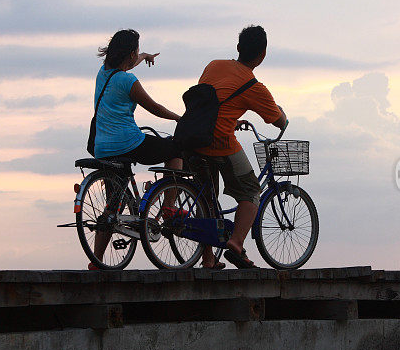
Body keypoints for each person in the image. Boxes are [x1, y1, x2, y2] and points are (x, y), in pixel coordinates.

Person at [194, 25, 288, 269]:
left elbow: (212, 103)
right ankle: (236, 244)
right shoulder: (254, 87)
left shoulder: (213, 65)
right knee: (251, 191)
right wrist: (284, 116)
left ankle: (207, 259)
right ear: (263, 55)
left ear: (238, 48)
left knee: (207, 199)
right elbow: (278, 120)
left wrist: (233, 119)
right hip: (219, 142)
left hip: (193, 137)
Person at [91, 29, 183, 267]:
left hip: (102, 147)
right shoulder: (128, 81)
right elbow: (155, 108)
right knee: (175, 151)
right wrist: (178, 118)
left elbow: (128, 65)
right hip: (128, 142)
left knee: (112, 207)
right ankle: (169, 209)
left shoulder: (104, 74)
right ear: (129, 54)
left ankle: (96, 261)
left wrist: (144, 55)